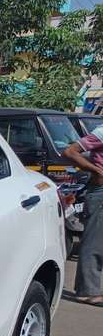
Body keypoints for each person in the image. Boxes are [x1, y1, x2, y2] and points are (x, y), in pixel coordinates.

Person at [62, 128, 103, 305]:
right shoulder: (101, 132)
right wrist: (97, 171)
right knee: (94, 242)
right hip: (100, 192)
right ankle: (87, 291)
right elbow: (70, 152)